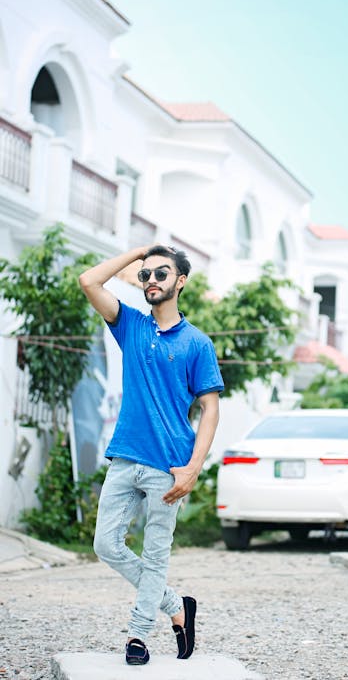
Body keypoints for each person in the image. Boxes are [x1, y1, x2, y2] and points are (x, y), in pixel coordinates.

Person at [79, 244, 224, 666]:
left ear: (180, 281)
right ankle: (177, 606)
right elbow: (89, 281)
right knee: (106, 544)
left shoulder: (198, 343)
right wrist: (139, 253)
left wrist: (194, 468)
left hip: (171, 465)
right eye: (146, 275)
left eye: (162, 273)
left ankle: (138, 636)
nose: (152, 280)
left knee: (156, 553)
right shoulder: (131, 326)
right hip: (126, 456)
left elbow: (210, 408)